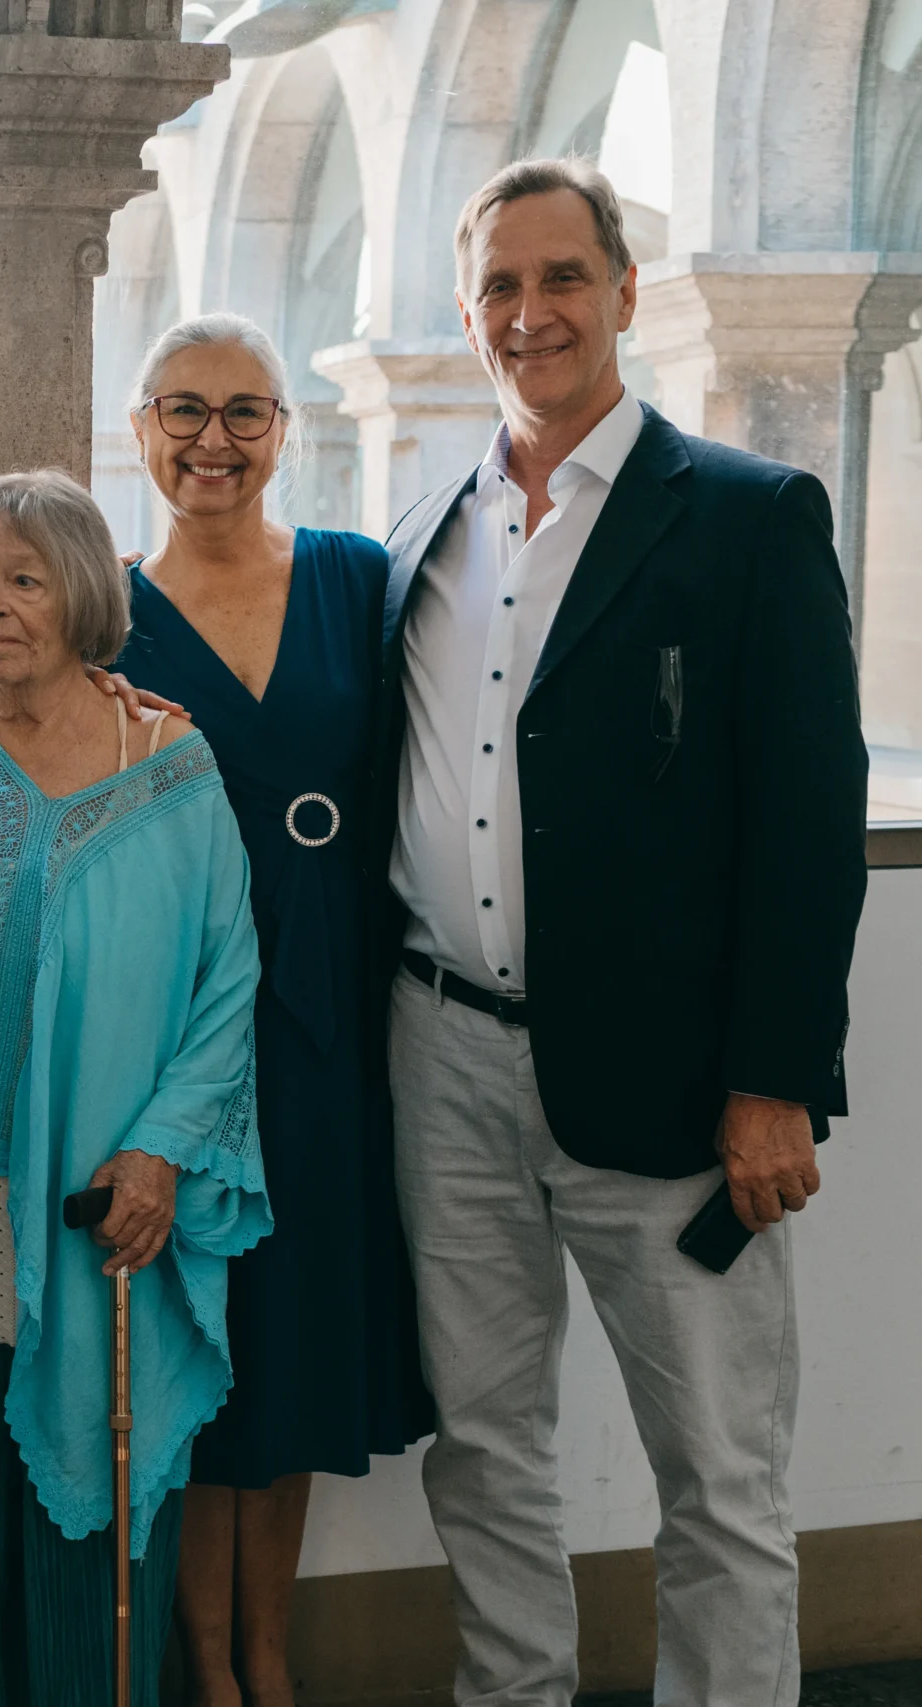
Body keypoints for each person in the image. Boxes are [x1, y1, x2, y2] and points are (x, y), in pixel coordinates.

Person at [374, 158, 866, 1707]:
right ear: (469, 317)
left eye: (562, 277)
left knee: (719, 1474)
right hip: (441, 1055)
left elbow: (808, 817)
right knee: (487, 1446)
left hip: (671, 1085)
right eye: (501, 288)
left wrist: (776, 1077)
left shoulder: (747, 516)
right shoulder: (417, 537)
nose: (532, 312)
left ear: (626, 292)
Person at [0, 470, 271, 1707]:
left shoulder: (169, 762)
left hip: (99, 1200)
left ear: (79, 594)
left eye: (22, 577)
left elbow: (225, 979)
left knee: (100, 1513)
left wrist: (160, 1152)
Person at [112, 313, 433, 1704]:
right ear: (139, 430)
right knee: (203, 1336)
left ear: (286, 431)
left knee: (297, 1333)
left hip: (335, 1016)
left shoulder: (358, 578)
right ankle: (204, 1662)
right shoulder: (102, 606)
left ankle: (270, 1656)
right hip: (178, 1023)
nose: (213, 438)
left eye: (246, 410)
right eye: (182, 408)